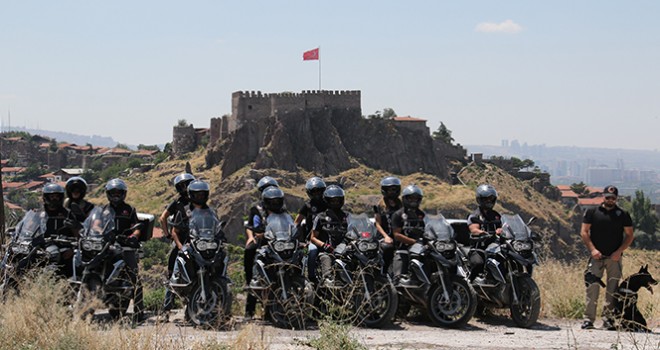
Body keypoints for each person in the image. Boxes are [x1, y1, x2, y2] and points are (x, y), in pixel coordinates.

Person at [580, 185, 634, 330]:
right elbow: (584, 232)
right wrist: (592, 250)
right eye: (607, 197)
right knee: (592, 288)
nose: (610, 200)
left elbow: (629, 235)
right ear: (603, 197)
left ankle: (608, 319)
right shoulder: (592, 212)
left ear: (617, 198)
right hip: (596, 256)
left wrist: (619, 251)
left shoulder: (623, 214)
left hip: (614, 258)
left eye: (613, 198)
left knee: (612, 290)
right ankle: (588, 319)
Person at [104, 178, 146, 323]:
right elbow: (95, 224)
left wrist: (134, 236)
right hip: (106, 246)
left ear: (123, 194)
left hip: (124, 246)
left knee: (133, 275)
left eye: (118, 193)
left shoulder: (129, 210)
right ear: (108, 194)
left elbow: (137, 227)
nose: (116, 195)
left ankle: (139, 312)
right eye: (113, 193)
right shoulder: (103, 210)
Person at [159, 172, 195, 313]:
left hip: (187, 241)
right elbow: (163, 218)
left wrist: (167, 234)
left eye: (186, 185)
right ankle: (167, 309)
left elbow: (162, 219)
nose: (185, 188)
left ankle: (168, 310)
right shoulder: (196, 200)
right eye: (183, 186)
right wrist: (169, 234)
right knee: (174, 273)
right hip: (187, 241)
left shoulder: (180, 202)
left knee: (174, 274)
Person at [243, 176, 279, 319]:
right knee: (251, 257)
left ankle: (273, 310)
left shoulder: (280, 209)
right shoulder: (256, 208)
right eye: (265, 190)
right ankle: (249, 310)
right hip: (260, 242)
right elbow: (250, 225)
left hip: (276, 243)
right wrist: (251, 237)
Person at [310, 185, 349, 286]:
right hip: (327, 250)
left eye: (338, 200)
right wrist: (324, 246)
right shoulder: (320, 217)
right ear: (327, 201)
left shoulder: (346, 217)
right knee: (326, 258)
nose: (335, 203)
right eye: (333, 200)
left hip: (345, 250)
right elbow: (313, 238)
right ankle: (327, 280)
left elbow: (354, 231)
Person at [294, 176, 327, 284]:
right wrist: (293, 236)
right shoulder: (307, 205)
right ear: (309, 193)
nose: (317, 193)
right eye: (314, 191)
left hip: (329, 236)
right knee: (312, 251)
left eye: (319, 191)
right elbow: (297, 222)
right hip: (313, 238)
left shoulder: (328, 204)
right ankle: (312, 277)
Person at [40, 183, 78, 278]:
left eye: (57, 196)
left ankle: (72, 283)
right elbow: (29, 227)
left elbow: (77, 233)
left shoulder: (67, 213)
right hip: (42, 246)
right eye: (52, 196)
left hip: (64, 247)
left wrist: (73, 249)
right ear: (45, 197)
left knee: (73, 262)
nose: (54, 199)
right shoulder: (39, 213)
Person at [391, 184, 426, 285]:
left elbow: (429, 229)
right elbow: (397, 235)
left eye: (416, 198)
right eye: (411, 198)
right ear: (405, 199)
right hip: (403, 249)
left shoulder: (422, 215)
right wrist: (413, 242)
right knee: (397, 280)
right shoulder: (398, 214)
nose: (413, 200)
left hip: (421, 248)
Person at [467, 184, 503, 281]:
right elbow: (474, 229)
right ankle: (469, 283)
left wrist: (503, 231)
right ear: (480, 199)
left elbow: (503, 227)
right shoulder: (475, 215)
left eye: (491, 199)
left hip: (496, 248)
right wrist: (483, 233)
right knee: (479, 263)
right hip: (479, 248)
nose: (489, 201)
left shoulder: (496, 215)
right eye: (486, 199)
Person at [374, 176, 400, 274]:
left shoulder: (401, 205)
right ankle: (383, 273)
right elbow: (377, 224)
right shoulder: (379, 206)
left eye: (394, 189)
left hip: (397, 236)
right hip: (384, 236)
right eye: (389, 190)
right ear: (384, 190)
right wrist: (386, 237)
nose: (392, 192)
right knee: (387, 248)